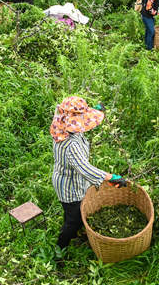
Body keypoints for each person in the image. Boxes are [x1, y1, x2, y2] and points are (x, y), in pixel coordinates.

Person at [51, 96, 126, 255]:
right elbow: (85, 169)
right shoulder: (70, 145)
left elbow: (77, 116)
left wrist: (94, 110)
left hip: (71, 177)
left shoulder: (61, 120)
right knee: (74, 219)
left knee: (73, 211)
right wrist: (111, 177)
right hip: (69, 185)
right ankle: (60, 247)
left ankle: (70, 221)